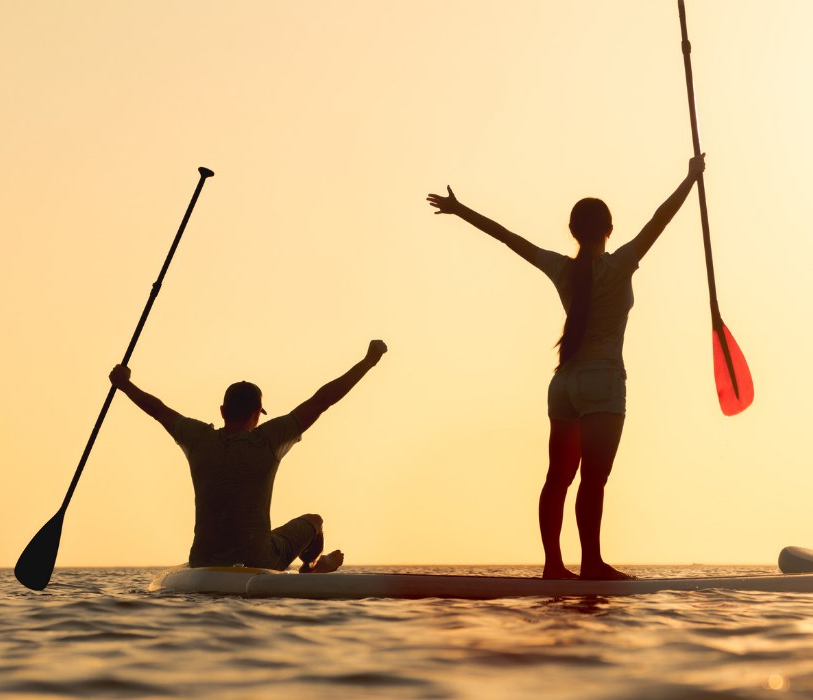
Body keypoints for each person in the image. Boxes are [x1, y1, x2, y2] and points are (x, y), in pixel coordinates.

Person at [425, 154, 705, 580]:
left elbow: (508, 238)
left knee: (558, 478)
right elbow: (659, 221)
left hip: (564, 385)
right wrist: (690, 179)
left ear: (573, 231)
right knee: (593, 480)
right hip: (602, 384)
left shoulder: (561, 268)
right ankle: (591, 563)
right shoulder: (620, 263)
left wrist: (460, 210)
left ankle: (554, 566)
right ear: (609, 230)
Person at [110, 339, 388, 573]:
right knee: (314, 520)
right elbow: (322, 401)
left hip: (203, 560)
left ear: (222, 411)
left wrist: (124, 384)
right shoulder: (268, 439)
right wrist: (368, 361)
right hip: (258, 560)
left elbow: (157, 409)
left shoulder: (197, 438)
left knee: (274, 532)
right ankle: (312, 566)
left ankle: (310, 565)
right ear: (257, 415)